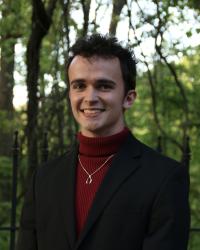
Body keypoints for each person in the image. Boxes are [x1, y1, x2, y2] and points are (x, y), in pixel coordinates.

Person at [17, 34, 190, 250]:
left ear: (128, 98)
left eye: (104, 86)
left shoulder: (165, 177)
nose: (90, 97)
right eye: (79, 85)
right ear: (70, 94)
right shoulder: (42, 179)